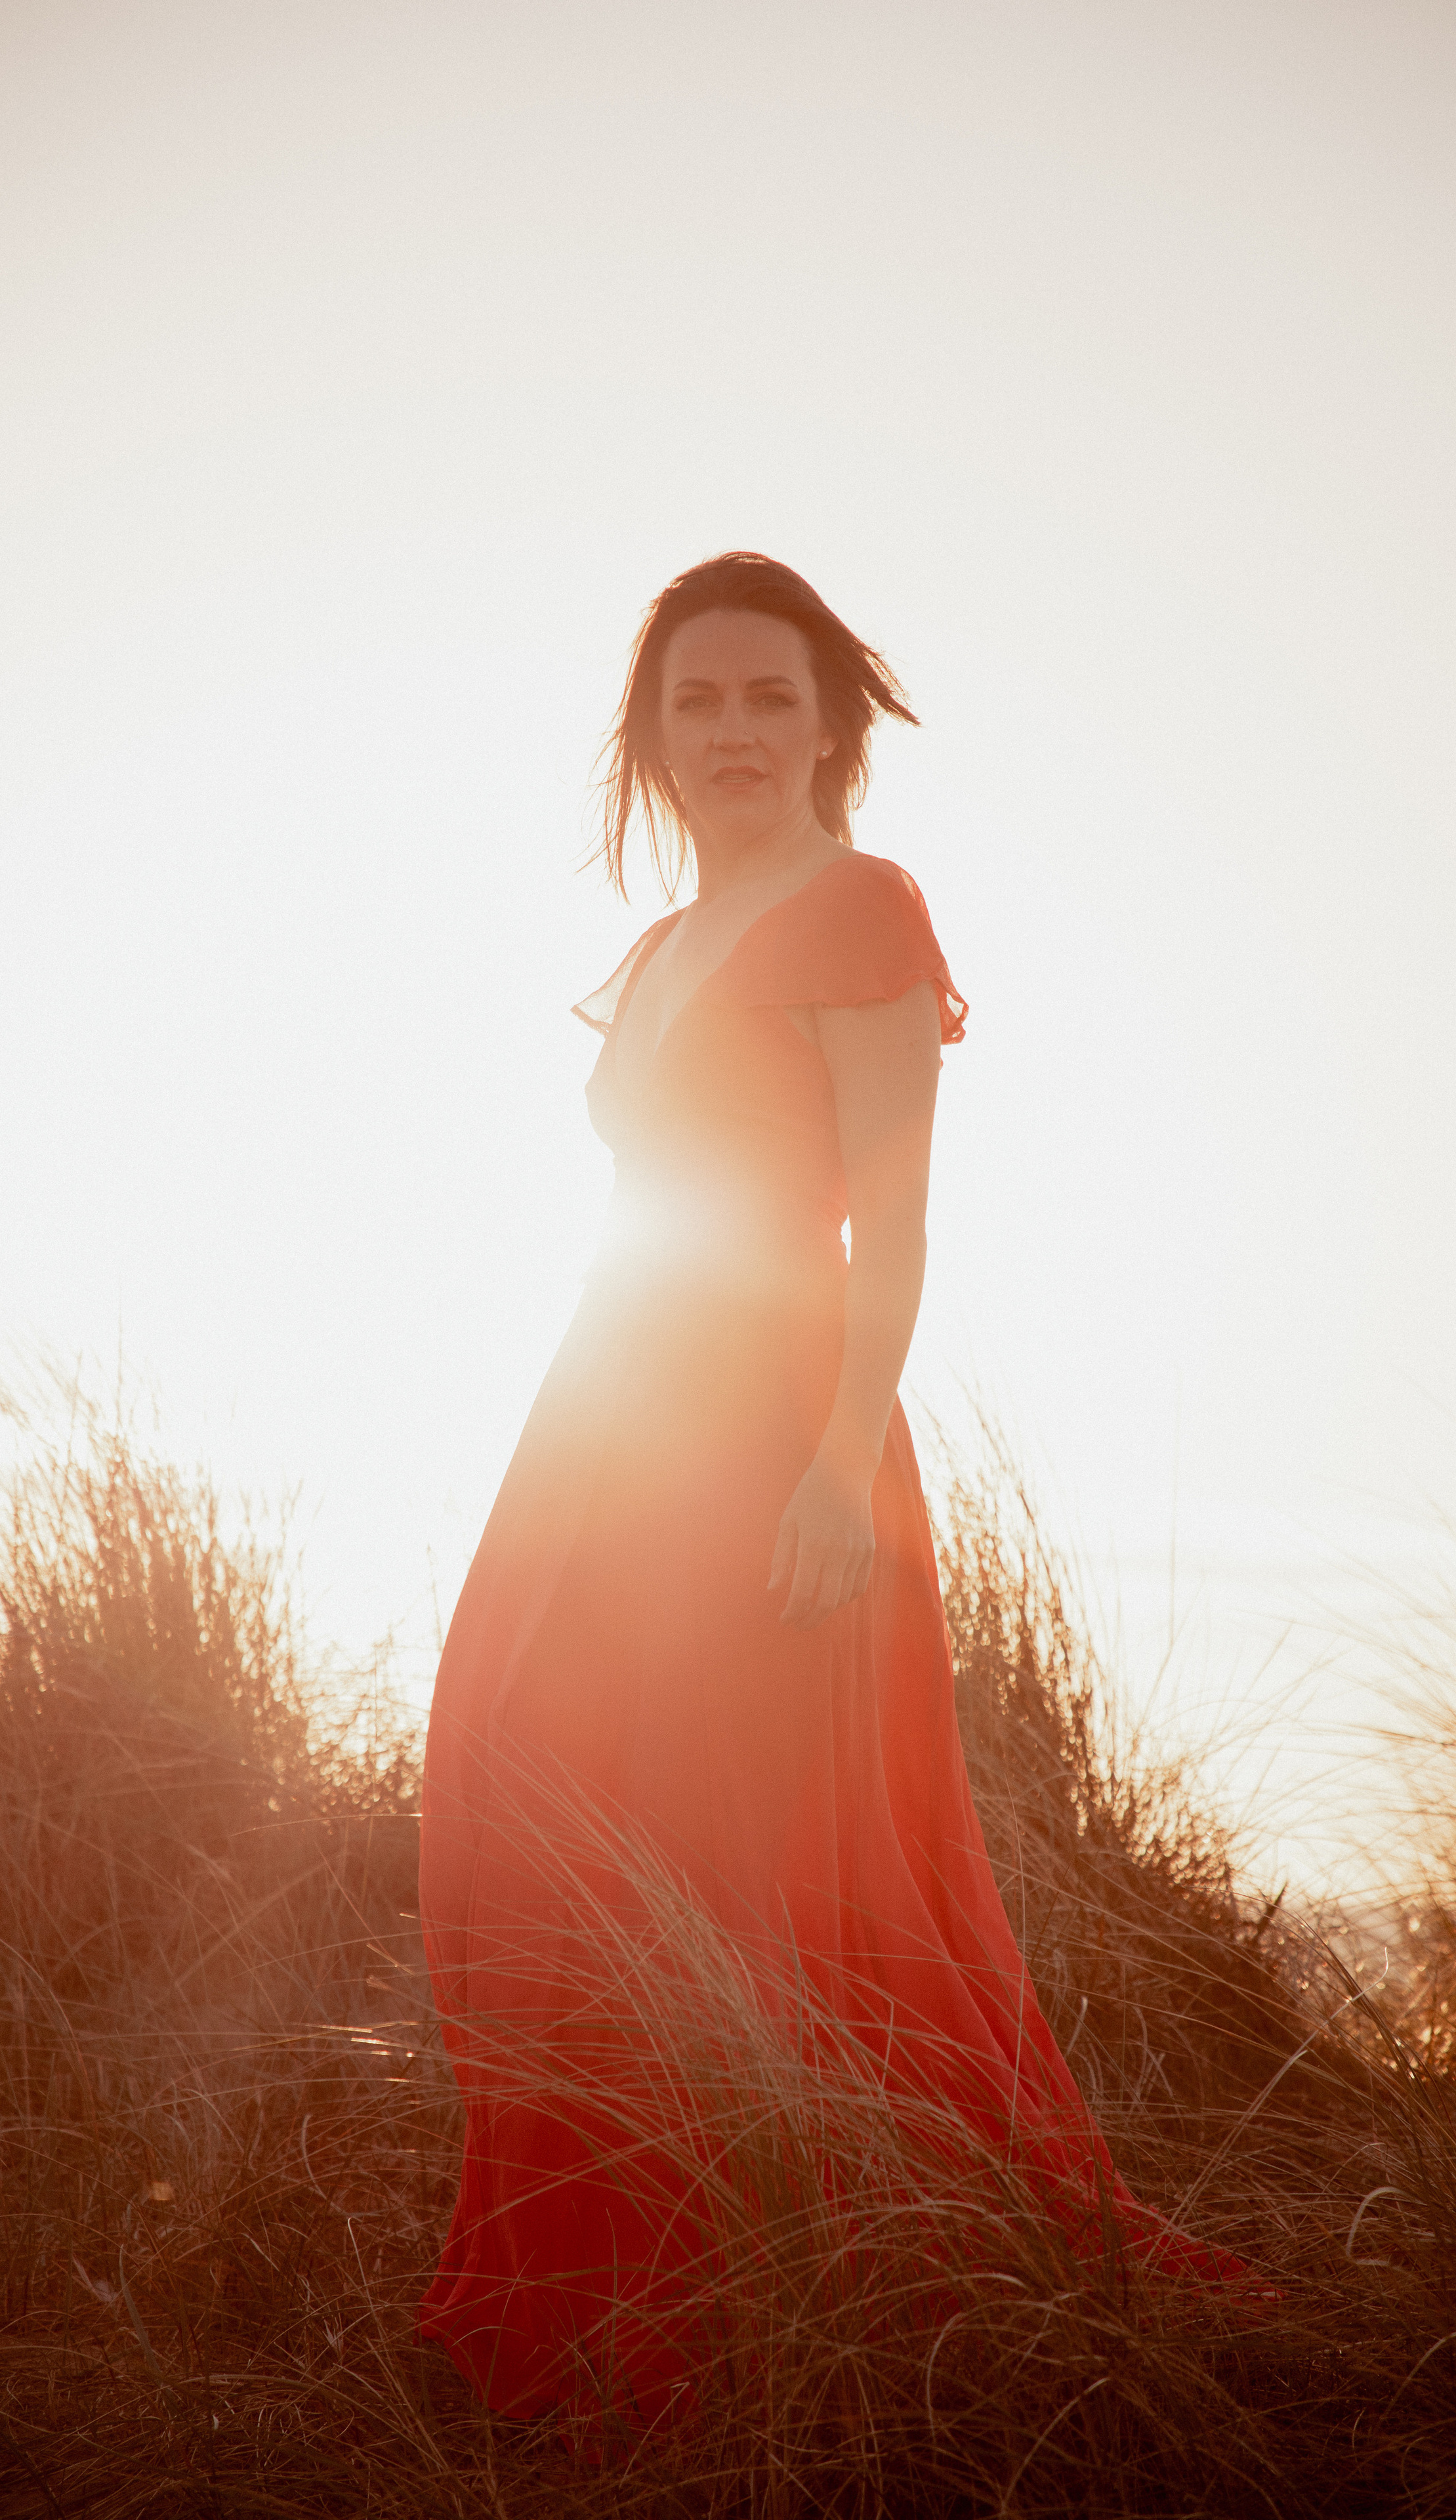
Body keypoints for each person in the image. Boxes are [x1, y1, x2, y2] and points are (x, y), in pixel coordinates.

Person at [418, 552, 1238, 2418]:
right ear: (652, 736)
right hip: (610, 1415)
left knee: (749, 1851)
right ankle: (615, 2273)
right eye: (694, 702)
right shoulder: (656, 950)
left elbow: (896, 1222)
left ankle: (812, 2283)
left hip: (779, 1431)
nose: (729, 734)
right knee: (522, 1799)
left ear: (831, 727)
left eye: (767, 699)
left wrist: (836, 1471)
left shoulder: (862, 907)